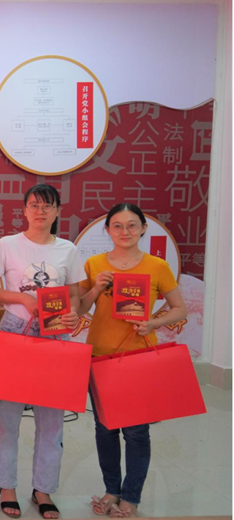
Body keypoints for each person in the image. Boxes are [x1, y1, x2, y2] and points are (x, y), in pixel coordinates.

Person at [0, 184, 85, 520]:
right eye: (34, 205)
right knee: (7, 415)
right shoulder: (7, 245)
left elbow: (75, 296)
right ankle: (6, 485)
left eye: (47, 206)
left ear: (58, 211)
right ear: (24, 210)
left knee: (52, 419)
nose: (40, 211)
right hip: (16, 330)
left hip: (56, 334)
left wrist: (73, 313)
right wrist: (23, 299)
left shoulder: (68, 250)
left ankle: (43, 489)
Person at [79, 203, 187, 519]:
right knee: (105, 428)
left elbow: (179, 308)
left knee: (136, 432)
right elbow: (80, 308)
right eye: (117, 225)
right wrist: (96, 287)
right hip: (100, 356)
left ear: (143, 229)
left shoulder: (157, 266)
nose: (124, 231)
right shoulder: (94, 264)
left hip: (139, 358)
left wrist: (152, 323)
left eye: (131, 225)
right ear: (107, 230)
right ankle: (111, 490)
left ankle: (131, 497)